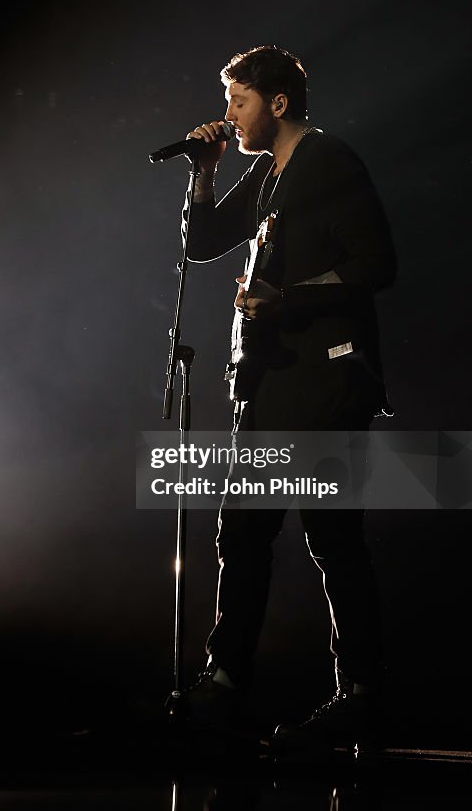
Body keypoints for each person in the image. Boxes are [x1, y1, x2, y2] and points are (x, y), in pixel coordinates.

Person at [179, 45, 397, 752]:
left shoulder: (327, 161)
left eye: (238, 102)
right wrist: (204, 176)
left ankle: (358, 696)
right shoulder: (263, 172)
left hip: (325, 383)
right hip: (269, 386)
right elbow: (206, 242)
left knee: (332, 539)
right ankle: (224, 684)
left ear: (276, 103)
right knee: (240, 534)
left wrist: (287, 301)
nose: (228, 116)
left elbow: (374, 264)